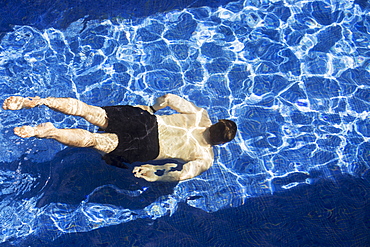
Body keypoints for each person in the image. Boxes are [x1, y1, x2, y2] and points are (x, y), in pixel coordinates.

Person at [2, 94, 237, 182]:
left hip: (147, 121)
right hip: (147, 147)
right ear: (222, 143)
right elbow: (181, 174)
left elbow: (169, 98)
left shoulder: (199, 115)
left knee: (87, 110)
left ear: (216, 123)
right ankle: (49, 131)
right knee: (93, 141)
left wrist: (153, 109)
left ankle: (40, 101)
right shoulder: (206, 157)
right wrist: (157, 175)